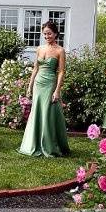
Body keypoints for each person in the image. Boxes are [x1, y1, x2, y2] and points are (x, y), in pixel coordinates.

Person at [18, 21, 70, 157]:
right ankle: (33, 143)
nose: (47, 36)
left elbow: (61, 72)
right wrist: (29, 86)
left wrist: (57, 90)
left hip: (50, 83)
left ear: (56, 34)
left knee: (48, 112)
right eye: (45, 34)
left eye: (49, 33)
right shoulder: (40, 49)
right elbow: (36, 68)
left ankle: (49, 145)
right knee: (37, 111)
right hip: (38, 83)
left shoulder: (60, 50)